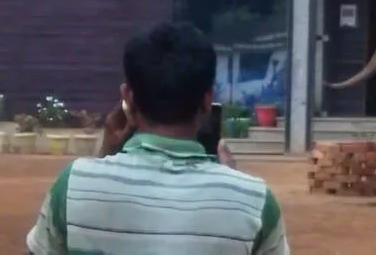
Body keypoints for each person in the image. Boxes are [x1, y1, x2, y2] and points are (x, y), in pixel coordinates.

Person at [26, 22, 290, 254]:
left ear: (128, 97)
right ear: (207, 100)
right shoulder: (255, 201)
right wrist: (233, 186)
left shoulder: (72, 186)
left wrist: (104, 159)